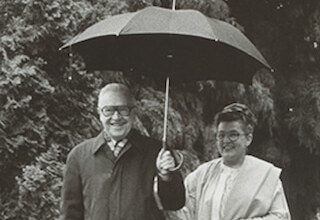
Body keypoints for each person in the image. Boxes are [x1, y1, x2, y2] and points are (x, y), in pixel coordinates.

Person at [60, 83, 185, 220]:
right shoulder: (79, 156)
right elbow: (70, 214)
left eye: (123, 109)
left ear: (133, 112)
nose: (116, 117)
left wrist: (166, 177)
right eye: (108, 110)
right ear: (99, 113)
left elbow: (175, 203)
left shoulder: (156, 152)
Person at [171, 103, 291, 220]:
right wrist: (166, 178)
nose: (226, 141)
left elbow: (281, 216)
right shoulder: (202, 175)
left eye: (233, 135)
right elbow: (180, 208)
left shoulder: (266, 175)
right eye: (221, 135)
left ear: (248, 138)